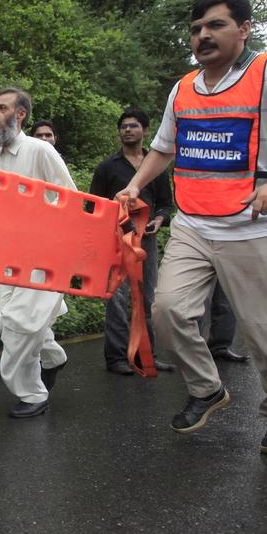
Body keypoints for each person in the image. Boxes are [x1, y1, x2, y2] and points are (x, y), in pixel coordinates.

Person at [115, 0, 267, 457]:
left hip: (258, 228)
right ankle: (206, 389)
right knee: (169, 313)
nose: (203, 36)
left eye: (215, 26)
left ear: (243, 28)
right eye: (196, 29)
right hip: (195, 224)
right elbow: (164, 146)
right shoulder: (184, 88)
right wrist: (135, 186)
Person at [0, 87, 73, 417]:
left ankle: (34, 395)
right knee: (5, 321)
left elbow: (71, 200)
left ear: (20, 115)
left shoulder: (41, 151)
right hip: (11, 256)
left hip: (47, 256)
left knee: (21, 325)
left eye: (2, 108)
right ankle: (52, 357)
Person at [89, 110, 175, 374]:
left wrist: (159, 220)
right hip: (115, 241)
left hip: (145, 242)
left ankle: (144, 356)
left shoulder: (155, 166)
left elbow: (165, 204)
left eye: (134, 126)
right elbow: (95, 204)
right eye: (123, 127)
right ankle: (115, 358)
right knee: (117, 297)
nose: (128, 130)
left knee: (148, 298)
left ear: (145, 131)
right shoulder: (107, 167)